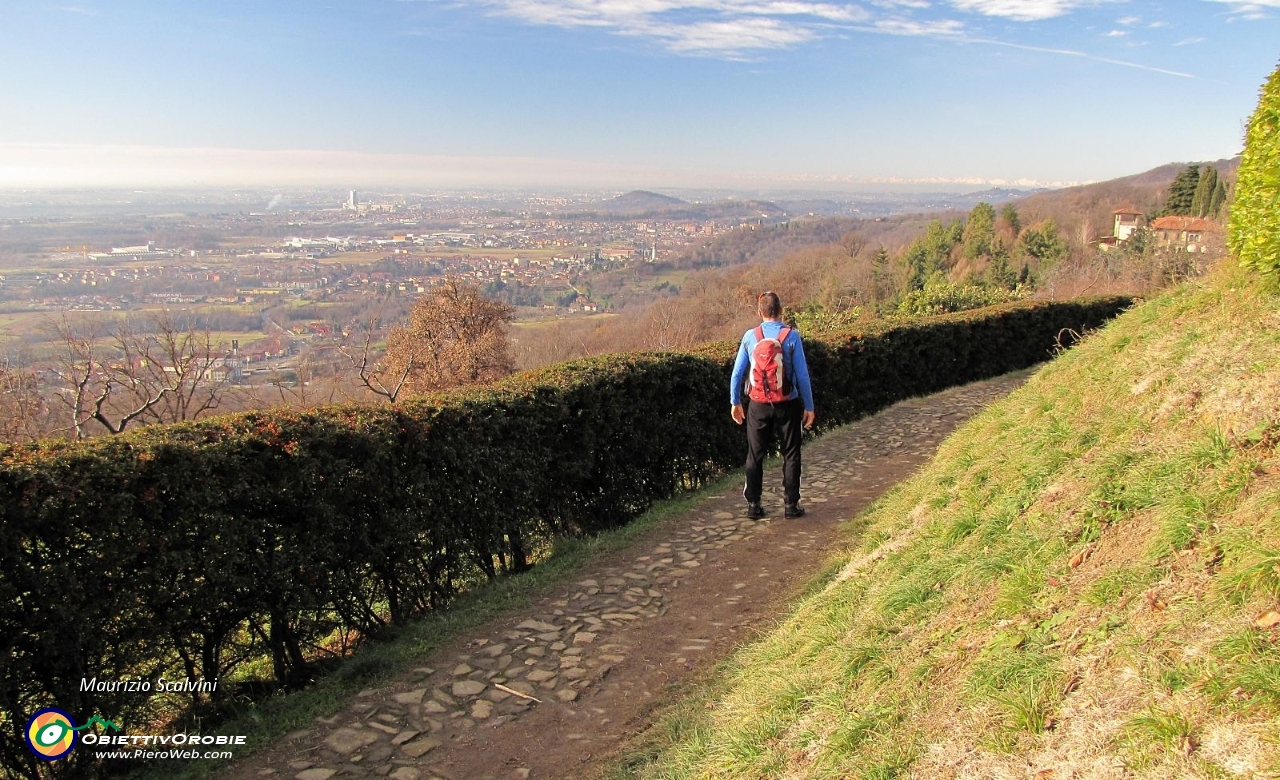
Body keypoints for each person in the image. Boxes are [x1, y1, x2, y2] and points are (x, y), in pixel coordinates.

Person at [729, 291, 815, 519]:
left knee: (755, 455)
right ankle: (791, 505)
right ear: (781, 311)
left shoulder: (750, 336)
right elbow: (803, 375)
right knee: (791, 454)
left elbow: (737, 373)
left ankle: (754, 505)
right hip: (787, 404)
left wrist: (735, 402)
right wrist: (809, 406)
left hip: (758, 405)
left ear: (760, 312)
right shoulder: (792, 336)